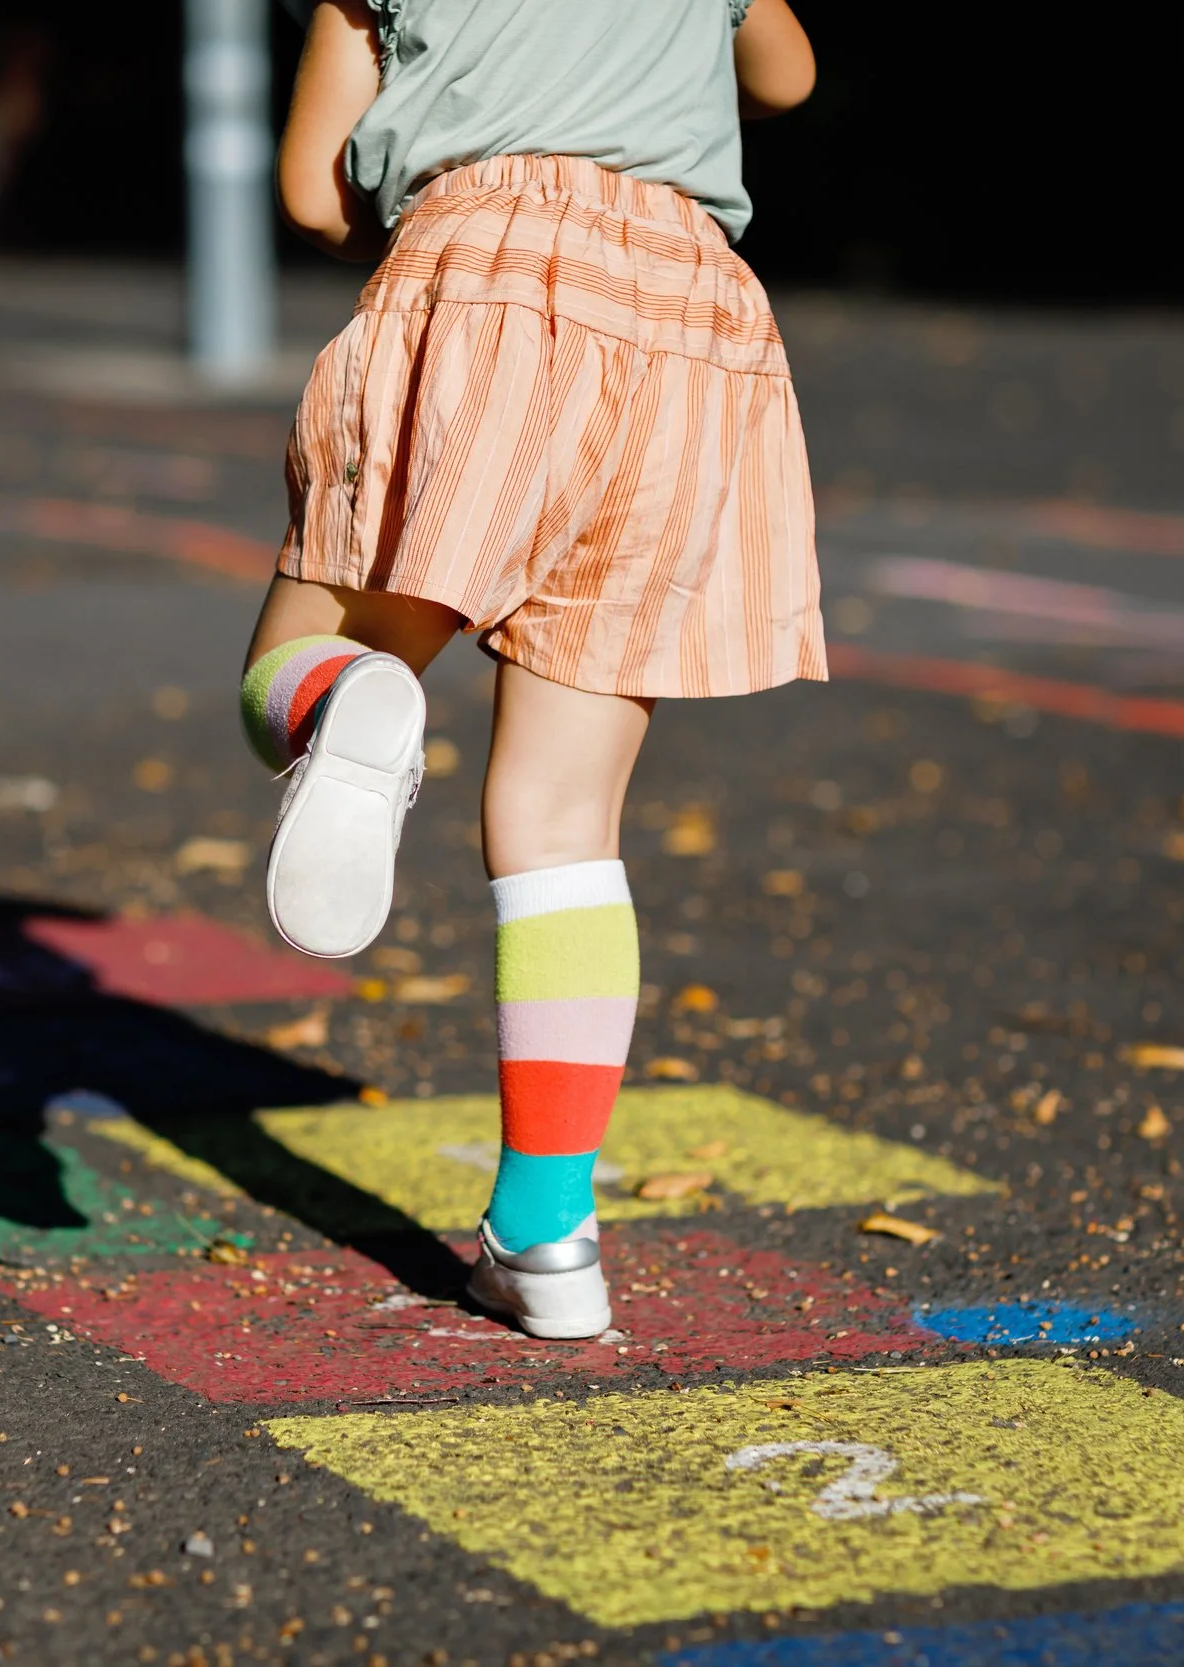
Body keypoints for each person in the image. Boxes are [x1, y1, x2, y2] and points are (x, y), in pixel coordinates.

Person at [236, 0, 823, 1339]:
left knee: (293, 659)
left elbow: (311, 191)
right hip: (692, 324)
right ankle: (548, 1238)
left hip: (485, 274)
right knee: (564, 821)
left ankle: (351, 699)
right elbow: (787, 75)